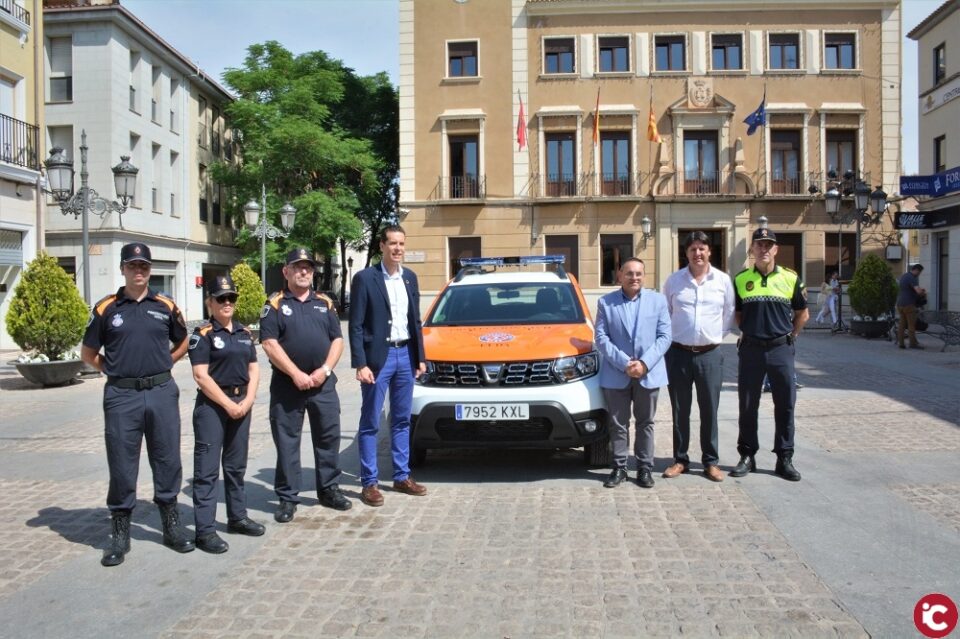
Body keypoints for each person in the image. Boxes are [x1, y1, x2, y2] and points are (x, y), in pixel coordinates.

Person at [81, 242, 194, 567]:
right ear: (123, 269)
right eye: (133, 266)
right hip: (122, 396)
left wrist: (165, 362)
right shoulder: (106, 309)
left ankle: (171, 525)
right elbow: (88, 354)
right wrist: (115, 371)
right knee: (121, 462)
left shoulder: (166, 305)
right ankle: (120, 532)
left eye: (144, 265)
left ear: (150, 269)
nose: (139, 271)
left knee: (167, 457)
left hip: (161, 392)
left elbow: (184, 340)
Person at [260, 248, 351, 522]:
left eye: (308, 268)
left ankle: (329, 489)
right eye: (297, 267)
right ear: (286, 271)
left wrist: (324, 370)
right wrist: (296, 373)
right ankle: (287, 498)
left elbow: (337, 339)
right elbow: (269, 343)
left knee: (328, 438)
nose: (303, 272)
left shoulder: (324, 302)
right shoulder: (274, 303)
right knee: (288, 442)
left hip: (322, 385)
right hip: (288, 387)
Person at [349, 225, 428, 507]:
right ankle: (369, 482)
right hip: (377, 360)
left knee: (402, 419)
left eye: (401, 244)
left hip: (405, 355)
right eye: (392, 243)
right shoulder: (365, 279)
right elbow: (356, 325)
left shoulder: (410, 278)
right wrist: (360, 363)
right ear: (381, 246)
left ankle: (401, 475)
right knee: (370, 421)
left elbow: (414, 321)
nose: (398, 249)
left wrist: (420, 356)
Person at [188, 274, 265, 554]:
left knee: (235, 467)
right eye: (221, 298)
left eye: (231, 297)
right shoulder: (203, 335)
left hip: (241, 403)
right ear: (210, 302)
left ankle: (238, 517)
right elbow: (200, 376)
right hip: (212, 407)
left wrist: (248, 399)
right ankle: (205, 531)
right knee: (207, 471)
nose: (227, 302)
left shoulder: (244, 333)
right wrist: (228, 404)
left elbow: (254, 369)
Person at [731, 228, 809, 482]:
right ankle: (747, 455)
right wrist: (748, 332)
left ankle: (784, 457)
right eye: (759, 245)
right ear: (752, 249)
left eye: (768, 245)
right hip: (751, 349)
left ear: (775, 249)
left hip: (780, 348)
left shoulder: (790, 278)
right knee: (747, 404)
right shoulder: (741, 280)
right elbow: (739, 314)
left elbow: (802, 313)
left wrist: (790, 337)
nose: (763, 249)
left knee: (785, 404)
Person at [662, 232, 734, 483]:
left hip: (710, 355)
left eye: (702, 248)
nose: (698, 253)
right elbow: (667, 313)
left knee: (709, 410)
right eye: (693, 249)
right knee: (680, 410)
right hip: (678, 354)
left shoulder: (723, 281)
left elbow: (728, 314)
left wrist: (713, 336)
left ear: (709, 251)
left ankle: (710, 461)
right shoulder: (673, 281)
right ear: (686, 253)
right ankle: (680, 459)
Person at [595, 257, 671, 489]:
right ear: (620, 275)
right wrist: (624, 363)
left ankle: (644, 468)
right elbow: (600, 337)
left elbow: (665, 336)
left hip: (648, 373)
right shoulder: (605, 303)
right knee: (618, 424)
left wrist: (645, 364)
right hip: (617, 373)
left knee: (645, 422)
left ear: (644, 276)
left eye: (638, 273)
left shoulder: (658, 301)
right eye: (629, 273)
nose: (634, 277)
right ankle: (619, 467)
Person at [896, 263, 926, 350]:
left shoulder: (904, 276)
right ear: (916, 270)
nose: (919, 274)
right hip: (909, 305)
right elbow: (918, 291)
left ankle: (901, 343)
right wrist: (923, 292)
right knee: (911, 325)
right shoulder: (912, 278)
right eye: (919, 272)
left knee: (901, 325)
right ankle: (913, 343)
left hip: (900, 304)